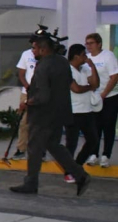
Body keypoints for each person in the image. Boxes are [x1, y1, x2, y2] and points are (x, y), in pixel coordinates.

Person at [11, 38, 91, 196]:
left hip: (43, 115)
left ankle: (31, 183)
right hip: (59, 113)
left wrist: (28, 102)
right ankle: (80, 175)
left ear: (43, 49)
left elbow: (43, 95)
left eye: (34, 48)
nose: (33, 51)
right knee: (54, 145)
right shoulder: (62, 62)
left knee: (34, 148)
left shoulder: (43, 66)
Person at [63, 44, 100, 182]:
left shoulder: (85, 69)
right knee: (71, 143)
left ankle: (77, 166)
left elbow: (96, 84)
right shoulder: (67, 70)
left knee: (93, 140)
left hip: (87, 111)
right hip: (73, 112)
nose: (86, 57)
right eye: (84, 55)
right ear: (76, 56)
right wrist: (90, 87)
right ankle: (68, 172)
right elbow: (76, 89)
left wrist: (92, 67)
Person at [85, 33, 118, 168]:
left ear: (99, 44)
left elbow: (114, 76)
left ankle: (106, 155)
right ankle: (94, 154)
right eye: (87, 43)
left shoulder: (108, 56)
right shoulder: (86, 59)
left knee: (108, 126)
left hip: (109, 97)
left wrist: (104, 94)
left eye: (91, 43)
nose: (89, 46)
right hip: (93, 98)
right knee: (94, 127)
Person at [12, 42, 38, 160]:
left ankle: (40, 150)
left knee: (40, 124)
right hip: (27, 92)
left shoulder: (46, 56)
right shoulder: (26, 54)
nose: (33, 49)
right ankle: (21, 149)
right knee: (24, 122)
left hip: (42, 93)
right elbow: (21, 74)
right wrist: (28, 87)